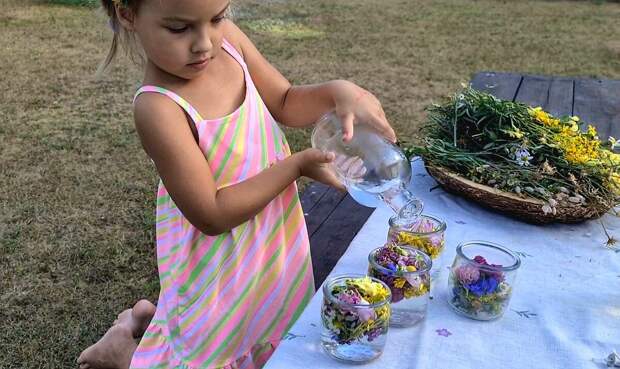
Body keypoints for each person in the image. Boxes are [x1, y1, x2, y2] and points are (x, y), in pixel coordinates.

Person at [78, 0, 396, 368]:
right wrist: (295, 166)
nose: (205, 44)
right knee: (212, 346)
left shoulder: (227, 42)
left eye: (216, 17)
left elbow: (286, 101)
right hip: (214, 261)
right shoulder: (158, 107)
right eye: (180, 28)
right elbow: (211, 214)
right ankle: (122, 351)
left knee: (266, 322)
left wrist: (338, 91)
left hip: (271, 240)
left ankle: (148, 318)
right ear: (127, 13)